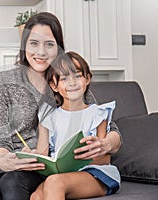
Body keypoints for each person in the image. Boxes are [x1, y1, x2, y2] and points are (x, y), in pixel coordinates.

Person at [0, 12, 122, 200]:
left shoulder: (68, 84)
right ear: (24, 46)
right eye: (34, 43)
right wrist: (2, 157)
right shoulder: (2, 82)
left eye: (49, 44)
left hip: (38, 166)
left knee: (13, 184)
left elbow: (106, 125)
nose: (41, 52)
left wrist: (107, 144)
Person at [30, 51, 121, 200]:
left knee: (54, 182)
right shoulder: (48, 117)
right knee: (36, 196)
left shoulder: (98, 113)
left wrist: (75, 162)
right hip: (62, 176)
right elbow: (43, 155)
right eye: (64, 78)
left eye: (78, 76)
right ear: (54, 85)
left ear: (87, 79)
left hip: (96, 174)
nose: (72, 83)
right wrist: (33, 156)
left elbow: (104, 158)